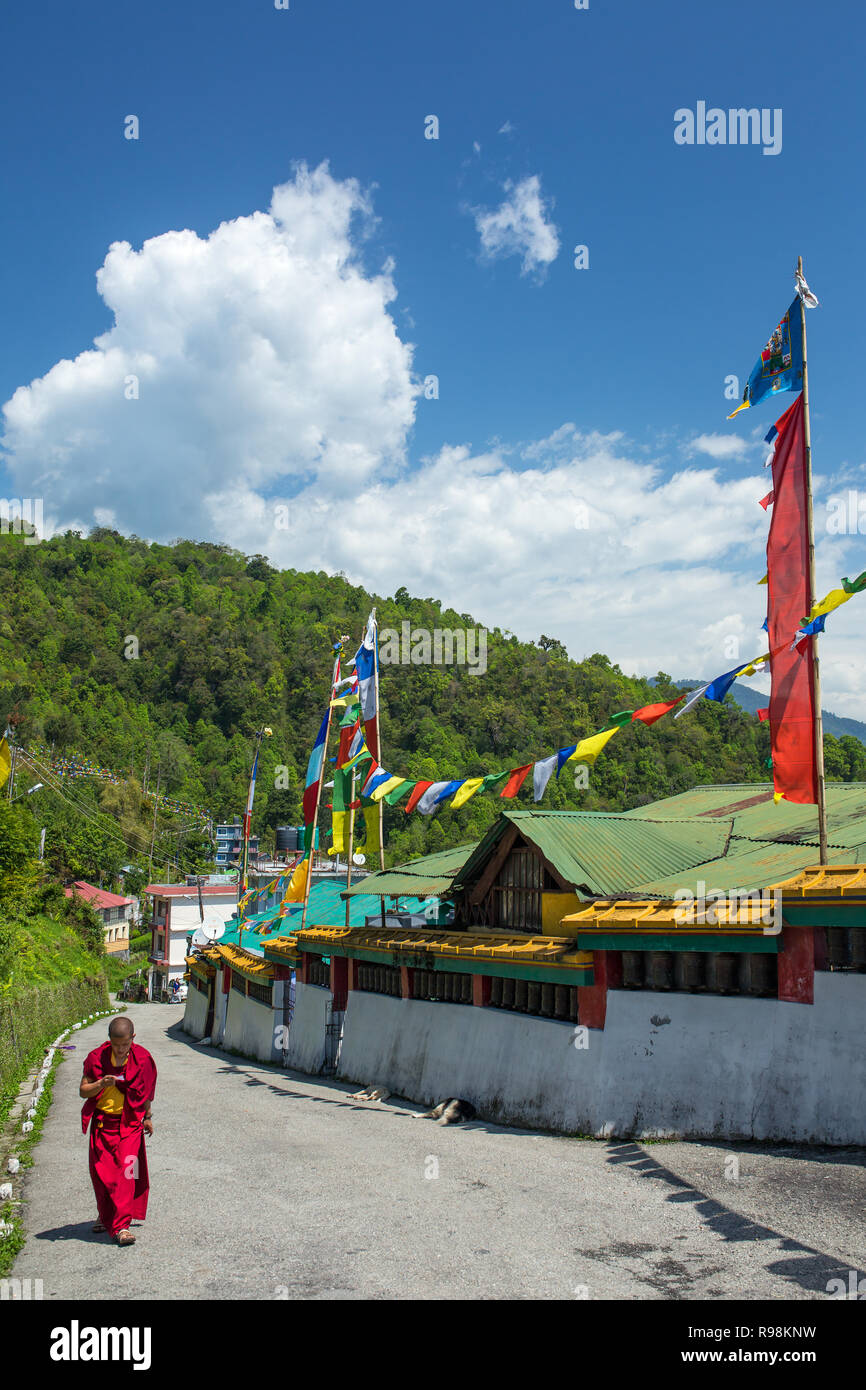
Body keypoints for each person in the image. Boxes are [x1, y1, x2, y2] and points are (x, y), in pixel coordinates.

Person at [79, 1015, 157, 1246]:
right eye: (116, 1045)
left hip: (130, 1124)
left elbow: (145, 1092)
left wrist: (148, 1117)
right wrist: (101, 1083)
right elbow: (84, 1091)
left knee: (126, 1173)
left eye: (125, 1044)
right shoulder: (96, 1058)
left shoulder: (142, 1059)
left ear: (133, 1038)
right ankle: (105, 1216)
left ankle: (122, 1226)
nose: (121, 1050)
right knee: (102, 1174)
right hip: (103, 1123)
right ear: (109, 1040)